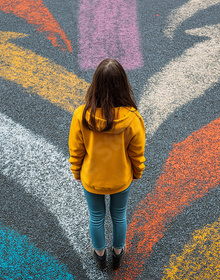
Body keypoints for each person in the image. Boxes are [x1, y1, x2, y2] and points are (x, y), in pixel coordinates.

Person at [68, 58, 146, 270]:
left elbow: (76, 150)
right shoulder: (132, 118)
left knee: (96, 216)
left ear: (95, 85)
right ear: (123, 85)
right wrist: (137, 172)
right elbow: (137, 152)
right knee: (119, 215)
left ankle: (100, 254)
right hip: (121, 178)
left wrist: (76, 171)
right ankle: (118, 252)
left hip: (92, 178)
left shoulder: (81, 116)